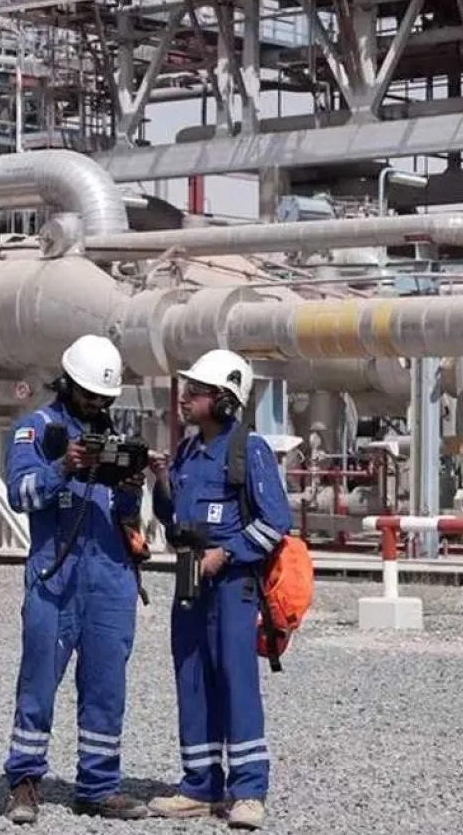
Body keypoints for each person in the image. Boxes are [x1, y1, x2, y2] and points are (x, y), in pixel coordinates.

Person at [0, 334, 151, 825]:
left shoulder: (116, 436)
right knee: (39, 680)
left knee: (107, 686)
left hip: (110, 577)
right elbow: (19, 494)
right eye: (90, 395)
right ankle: (24, 780)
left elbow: (125, 516)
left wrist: (131, 487)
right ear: (67, 384)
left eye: (105, 398)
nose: (98, 405)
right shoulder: (36, 430)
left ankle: (98, 786)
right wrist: (63, 466)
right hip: (55, 575)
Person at [146, 349, 292, 831]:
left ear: (225, 400)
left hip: (232, 586)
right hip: (191, 580)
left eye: (196, 391)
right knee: (191, 677)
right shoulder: (188, 451)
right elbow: (170, 516)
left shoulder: (249, 450)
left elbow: (276, 522)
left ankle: (248, 792)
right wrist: (160, 480)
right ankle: (199, 787)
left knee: (235, 679)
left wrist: (226, 554)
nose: (184, 397)